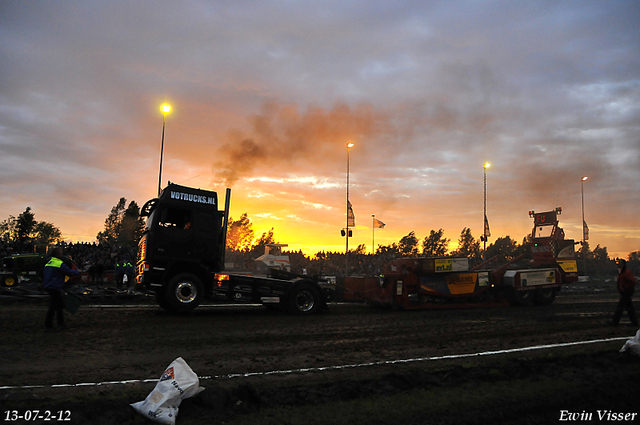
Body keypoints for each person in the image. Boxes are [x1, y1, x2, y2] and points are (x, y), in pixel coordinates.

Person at [43, 247, 80, 332]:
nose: (62, 254)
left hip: (49, 285)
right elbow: (69, 272)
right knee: (54, 306)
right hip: (55, 286)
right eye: (60, 252)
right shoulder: (59, 263)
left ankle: (60, 323)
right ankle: (49, 325)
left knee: (58, 305)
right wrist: (78, 272)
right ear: (57, 254)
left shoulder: (49, 262)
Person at [612, 259, 638, 327]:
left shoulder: (627, 272)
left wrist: (625, 287)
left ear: (623, 264)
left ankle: (615, 322)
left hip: (627, 292)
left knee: (620, 307)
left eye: (619, 263)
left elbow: (633, 281)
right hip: (625, 292)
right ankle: (635, 323)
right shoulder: (623, 272)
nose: (618, 264)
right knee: (629, 308)